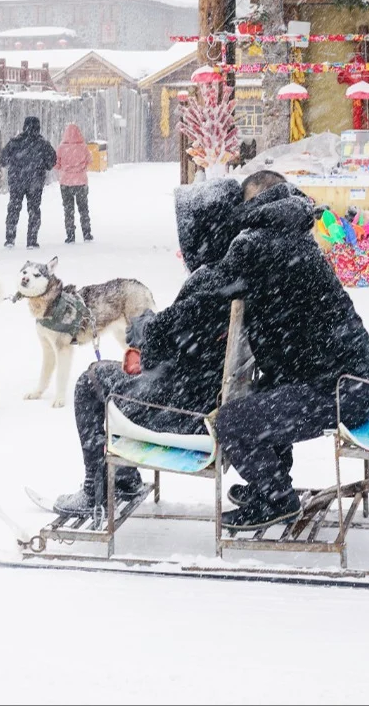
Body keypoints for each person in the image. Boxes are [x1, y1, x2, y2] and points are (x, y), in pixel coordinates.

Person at [52, 177, 244, 517]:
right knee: (115, 376)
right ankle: (122, 477)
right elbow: (177, 331)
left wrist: (142, 328)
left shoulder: (210, 281)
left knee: (91, 380)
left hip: (187, 409)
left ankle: (99, 488)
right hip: (206, 393)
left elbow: (162, 340)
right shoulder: (236, 272)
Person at [213, 170, 369, 530]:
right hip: (348, 381)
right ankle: (269, 483)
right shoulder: (291, 237)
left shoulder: (269, 243)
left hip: (341, 389)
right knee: (263, 395)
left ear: (258, 202)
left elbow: (215, 286)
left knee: (232, 421)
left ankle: (277, 501)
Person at [0, 116, 57, 250]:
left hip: (16, 181)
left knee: (13, 209)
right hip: (35, 183)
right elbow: (51, 162)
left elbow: (2, 159)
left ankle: (10, 239)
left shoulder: (15, 142)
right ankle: (32, 240)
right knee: (34, 210)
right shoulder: (43, 144)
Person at [54, 122, 93, 244]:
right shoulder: (83, 147)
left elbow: (56, 164)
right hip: (81, 182)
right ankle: (86, 234)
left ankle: (70, 235)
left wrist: (66, 168)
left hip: (65, 183)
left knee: (68, 209)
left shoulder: (61, 148)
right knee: (83, 208)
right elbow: (90, 161)